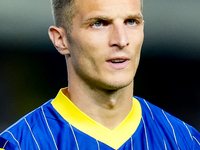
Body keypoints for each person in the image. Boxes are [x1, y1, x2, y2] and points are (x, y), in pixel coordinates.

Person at [0, 0, 200, 149]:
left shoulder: (186, 141)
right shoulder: (19, 143)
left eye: (131, 22)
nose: (121, 40)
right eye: (99, 23)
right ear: (61, 40)